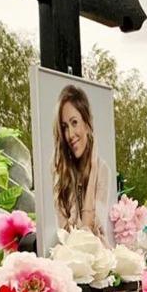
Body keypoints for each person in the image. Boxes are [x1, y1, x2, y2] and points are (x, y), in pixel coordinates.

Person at [52, 84, 111, 240]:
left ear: (86, 123)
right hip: (68, 256)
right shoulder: (60, 171)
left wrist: (93, 171)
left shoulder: (102, 170)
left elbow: (88, 231)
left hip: (97, 255)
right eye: (64, 127)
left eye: (74, 122)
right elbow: (69, 238)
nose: (70, 134)